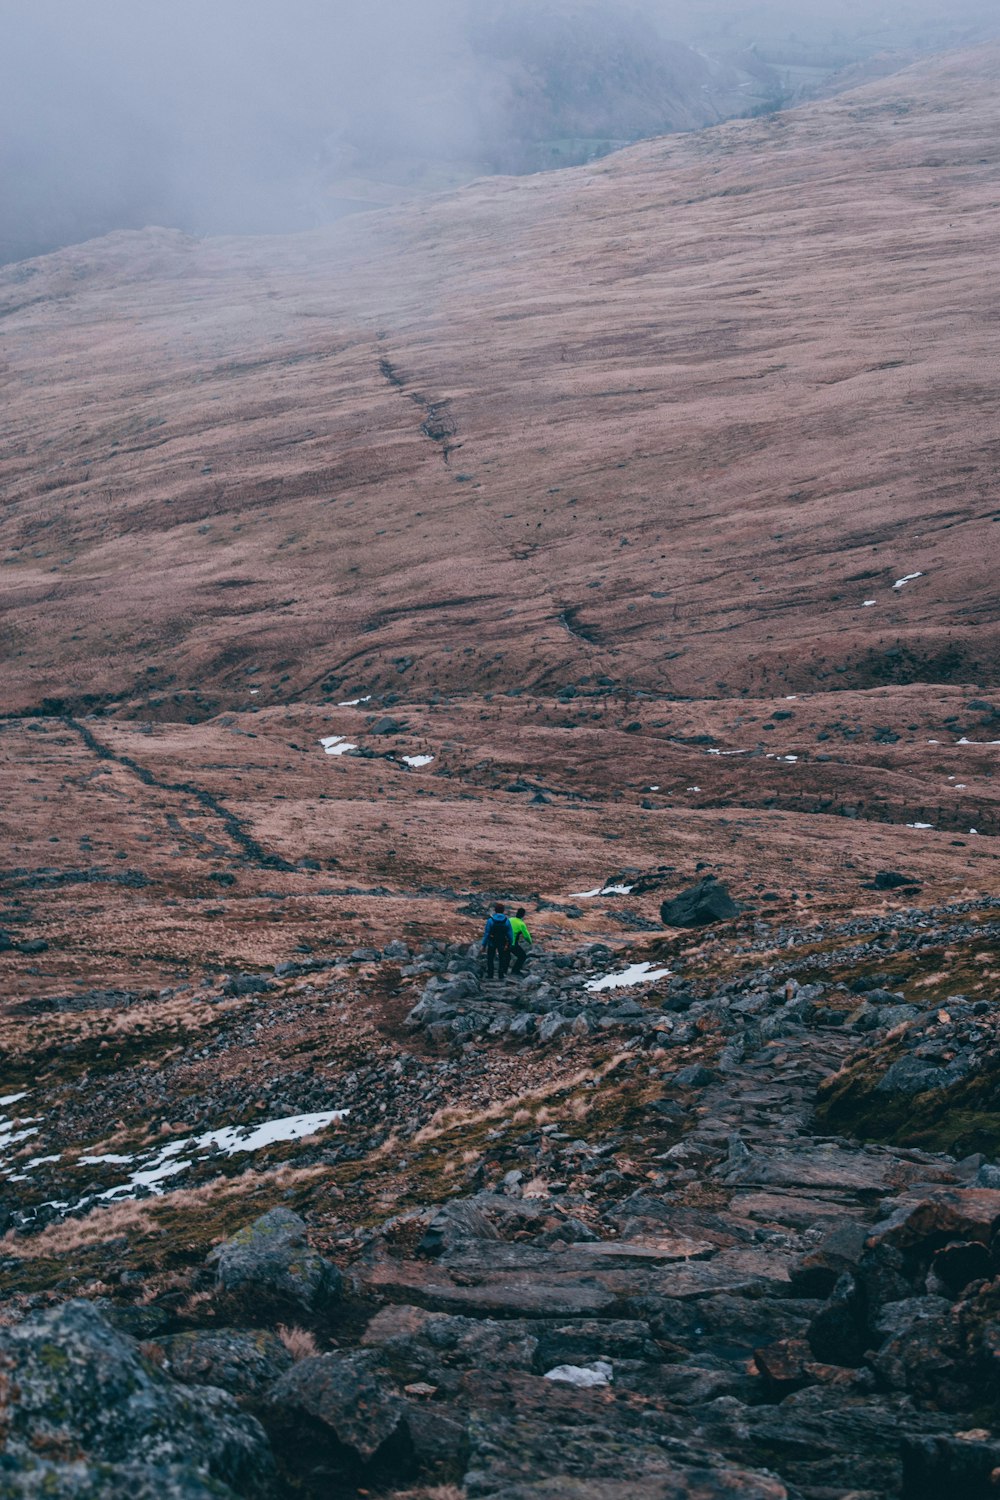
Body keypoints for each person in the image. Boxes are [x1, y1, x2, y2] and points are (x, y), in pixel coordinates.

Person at [482, 902, 514, 980]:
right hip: (502, 941)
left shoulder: (490, 920)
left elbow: (487, 933)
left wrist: (483, 944)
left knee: (490, 958)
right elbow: (510, 933)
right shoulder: (507, 920)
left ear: (495, 910)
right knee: (502, 958)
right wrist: (510, 942)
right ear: (503, 911)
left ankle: (490, 974)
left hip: (492, 941)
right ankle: (501, 974)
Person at [510, 907, 533, 975]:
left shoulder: (510, 919)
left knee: (506, 956)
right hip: (513, 943)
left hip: (504, 942)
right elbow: (526, 936)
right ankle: (515, 970)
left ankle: (503, 970)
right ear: (523, 915)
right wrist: (530, 942)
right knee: (522, 956)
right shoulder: (521, 924)